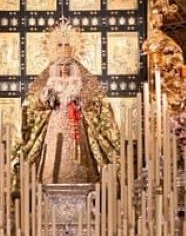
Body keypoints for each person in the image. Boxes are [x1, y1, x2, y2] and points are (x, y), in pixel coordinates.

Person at [19, 49, 119, 185]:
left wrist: (77, 100)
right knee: (54, 145)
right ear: (57, 67)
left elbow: (85, 101)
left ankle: (79, 176)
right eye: (61, 65)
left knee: (76, 145)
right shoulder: (52, 81)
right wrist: (49, 97)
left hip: (74, 119)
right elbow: (44, 101)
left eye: (67, 65)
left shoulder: (76, 81)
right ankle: (51, 176)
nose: (64, 68)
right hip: (57, 118)